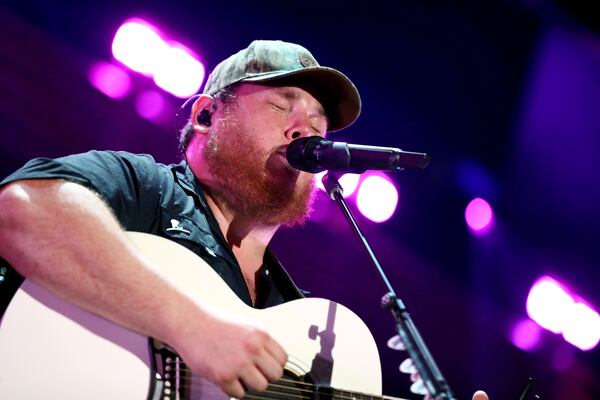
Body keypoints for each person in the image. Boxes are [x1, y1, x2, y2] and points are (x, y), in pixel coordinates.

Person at [0, 39, 488, 400]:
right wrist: (193, 328)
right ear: (208, 115)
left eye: (319, 124)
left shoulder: (294, 317)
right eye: (282, 105)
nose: (306, 128)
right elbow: (20, 210)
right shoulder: (145, 188)